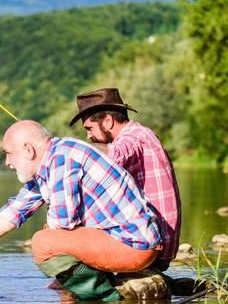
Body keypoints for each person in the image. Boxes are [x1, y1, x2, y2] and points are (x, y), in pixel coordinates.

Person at [0, 120, 162, 301]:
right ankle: (76, 291)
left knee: (43, 241)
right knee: (49, 236)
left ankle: (105, 297)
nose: (7, 162)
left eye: (8, 153)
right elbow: (9, 215)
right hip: (125, 240)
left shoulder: (62, 159)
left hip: (133, 245)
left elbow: (63, 223)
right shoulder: (50, 164)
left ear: (29, 150)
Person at [69, 88, 181, 271]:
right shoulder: (142, 134)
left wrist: (68, 149)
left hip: (151, 249)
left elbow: (117, 154)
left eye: (89, 128)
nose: (88, 136)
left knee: (56, 238)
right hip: (154, 245)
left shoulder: (135, 137)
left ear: (108, 121)